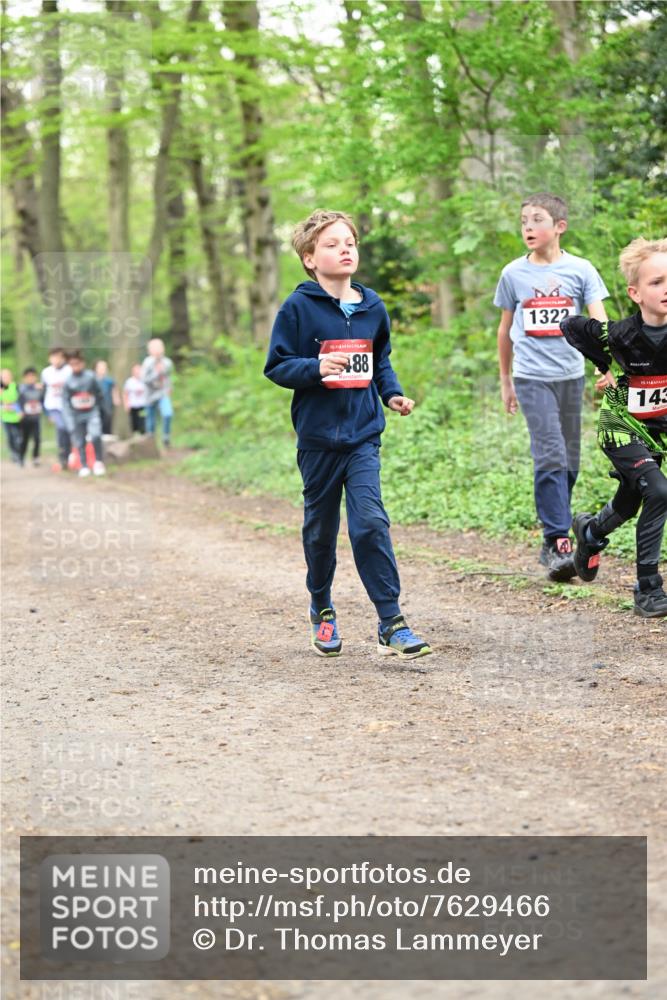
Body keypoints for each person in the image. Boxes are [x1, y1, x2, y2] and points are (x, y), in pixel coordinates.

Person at [264, 209, 431, 659]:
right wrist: (315, 367)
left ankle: (391, 621)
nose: (345, 250)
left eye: (350, 243)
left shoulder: (373, 307)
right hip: (318, 440)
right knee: (320, 530)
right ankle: (321, 606)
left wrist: (392, 394)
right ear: (309, 258)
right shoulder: (297, 308)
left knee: (370, 522)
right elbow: (277, 366)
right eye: (333, 244)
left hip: (362, 436)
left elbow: (382, 361)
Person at [494, 192, 609, 581]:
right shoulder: (513, 274)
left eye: (537, 219)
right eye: (524, 219)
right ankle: (557, 540)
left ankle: (557, 530)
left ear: (559, 226)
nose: (528, 226)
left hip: (570, 377)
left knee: (570, 461)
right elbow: (505, 329)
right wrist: (505, 380)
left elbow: (598, 322)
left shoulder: (580, 270)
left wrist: (605, 363)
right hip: (530, 377)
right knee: (551, 455)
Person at [561, 237, 667, 618]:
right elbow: (571, 325)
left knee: (631, 498)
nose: (666, 288)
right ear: (635, 293)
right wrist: (603, 363)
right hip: (619, 426)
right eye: (656, 282)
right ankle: (648, 588)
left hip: (656, 430)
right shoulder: (621, 333)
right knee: (659, 491)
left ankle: (589, 534)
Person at [62, 350, 106, 478]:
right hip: (76, 415)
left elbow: (99, 394)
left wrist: (101, 409)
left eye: (77, 363)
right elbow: (65, 402)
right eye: (72, 364)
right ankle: (83, 465)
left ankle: (98, 462)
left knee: (96, 435)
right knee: (79, 441)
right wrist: (69, 418)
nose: (75, 366)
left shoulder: (91, 377)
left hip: (92, 412)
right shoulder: (68, 381)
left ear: (82, 363)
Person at [41, 346, 72, 471]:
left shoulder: (69, 370)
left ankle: (68, 456)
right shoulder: (46, 372)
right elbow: (43, 391)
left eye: (59, 357)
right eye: (54, 357)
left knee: (69, 430)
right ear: (49, 359)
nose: (57, 360)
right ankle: (62, 457)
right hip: (53, 406)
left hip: (68, 406)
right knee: (61, 427)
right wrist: (47, 413)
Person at [141, 338, 174, 447]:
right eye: (155, 348)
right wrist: (157, 372)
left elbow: (168, 377)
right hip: (150, 395)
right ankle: (150, 442)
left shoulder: (167, 362)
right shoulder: (147, 362)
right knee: (151, 420)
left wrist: (170, 388)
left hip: (163, 393)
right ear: (149, 350)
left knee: (168, 413)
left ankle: (166, 437)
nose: (158, 351)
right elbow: (144, 379)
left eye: (159, 348)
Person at [18, 367, 44, 466]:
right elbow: (17, 402)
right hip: (25, 419)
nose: (31, 379)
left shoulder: (39, 389)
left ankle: (35, 457)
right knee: (24, 439)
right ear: (24, 378)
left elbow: (43, 401)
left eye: (32, 376)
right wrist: (19, 411)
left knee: (37, 438)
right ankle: (21, 457)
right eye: (28, 377)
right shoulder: (21, 389)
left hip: (36, 418)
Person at [1, 368, 23, 464]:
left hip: (16, 417)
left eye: (7, 376)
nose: (5, 378)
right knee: (9, 437)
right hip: (4, 417)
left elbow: (21, 400)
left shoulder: (16, 387)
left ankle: (19, 454)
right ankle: (13, 454)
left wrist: (20, 411)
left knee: (17, 436)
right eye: (3, 377)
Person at [94, 359, 121, 435]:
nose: (103, 369)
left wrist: (116, 399)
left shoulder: (109, 380)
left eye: (104, 367)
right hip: (96, 406)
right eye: (101, 367)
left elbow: (114, 390)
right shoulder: (93, 380)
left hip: (107, 405)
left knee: (107, 421)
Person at [123, 364, 147, 434]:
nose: (138, 372)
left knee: (143, 421)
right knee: (134, 423)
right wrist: (126, 404)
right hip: (133, 405)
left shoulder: (145, 380)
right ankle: (135, 437)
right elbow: (125, 393)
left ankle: (143, 435)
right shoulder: (129, 381)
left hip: (143, 405)